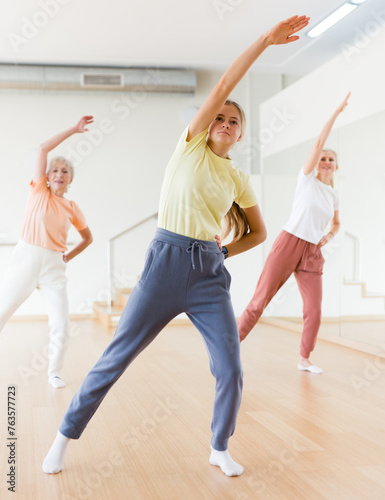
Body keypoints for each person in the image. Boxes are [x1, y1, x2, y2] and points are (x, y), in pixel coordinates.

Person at [42, 15, 309, 477]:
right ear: (208, 127)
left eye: (233, 121)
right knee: (116, 359)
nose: (224, 122)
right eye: (219, 117)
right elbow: (227, 80)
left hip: (208, 274)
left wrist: (223, 253)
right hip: (164, 264)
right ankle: (64, 437)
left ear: (240, 134)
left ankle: (219, 446)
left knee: (230, 368)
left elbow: (259, 233)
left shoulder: (238, 178)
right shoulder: (189, 146)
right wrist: (266, 41)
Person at [238, 93, 350, 374]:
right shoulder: (306, 180)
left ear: (336, 167)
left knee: (314, 310)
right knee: (259, 301)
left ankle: (304, 359)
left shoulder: (333, 195)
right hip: (289, 242)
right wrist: (336, 112)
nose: (325, 161)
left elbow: (336, 223)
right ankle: (230, 345)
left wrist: (330, 236)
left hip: (313, 251)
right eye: (323, 157)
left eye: (330, 160)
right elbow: (317, 143)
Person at [0, 116, 93, 388]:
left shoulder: (72, 208)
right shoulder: (39, 190)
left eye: (65, 171)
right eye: (55, 170)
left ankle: (54, 372)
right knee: (2, 311)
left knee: (61, 324)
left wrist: (67, 256)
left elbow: (88, 238)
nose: (59, 174)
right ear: (47, 177)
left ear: (70, 179)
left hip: (54, 266)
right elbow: (42, 149)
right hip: (26, 259)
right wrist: (74, 130)